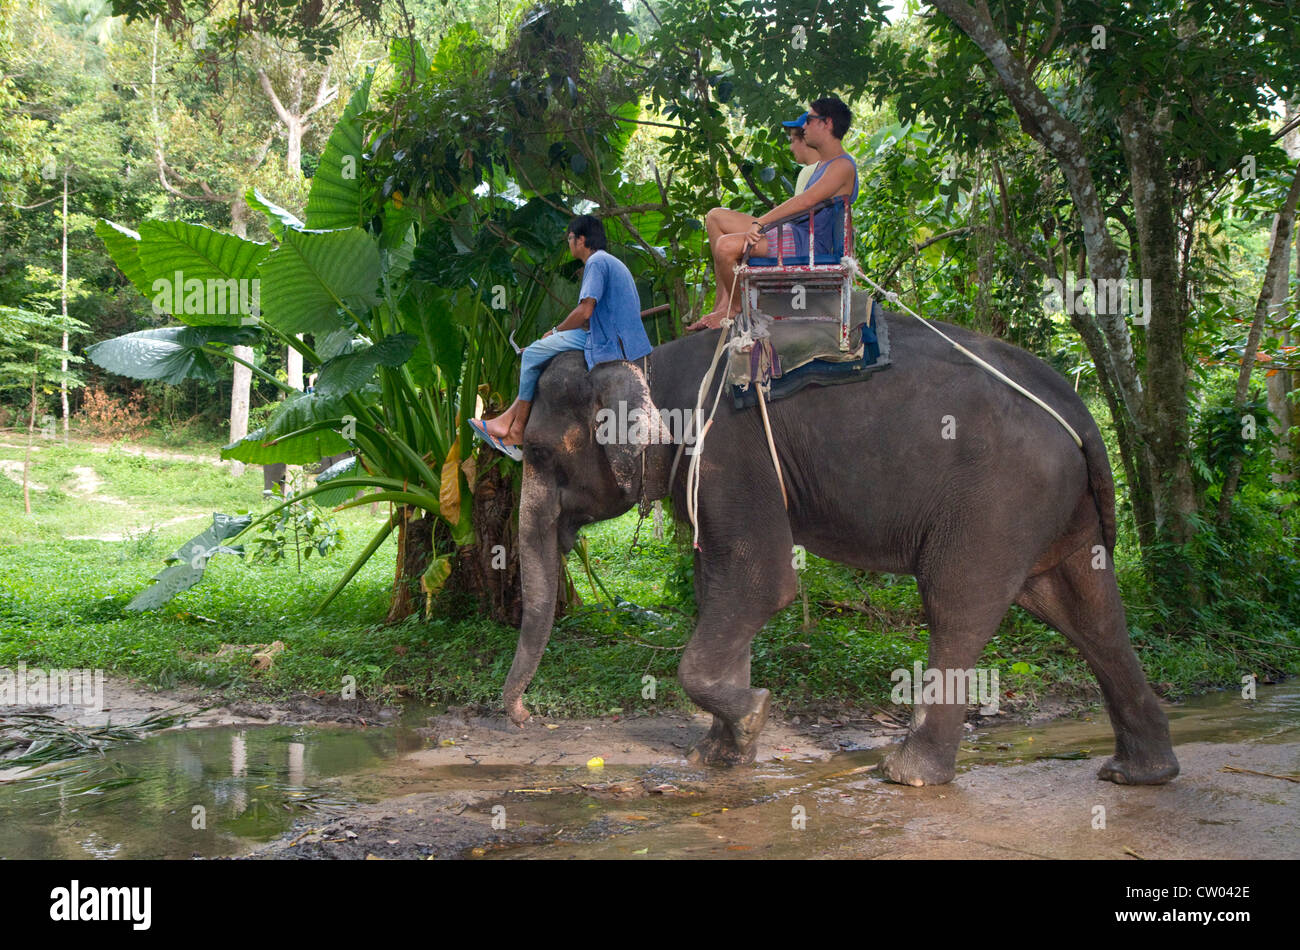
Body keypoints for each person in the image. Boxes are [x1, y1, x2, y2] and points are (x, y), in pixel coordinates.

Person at [469, 215, 654, 459]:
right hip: (604, 335)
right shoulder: (609, 261)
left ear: (582, 239)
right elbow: (592, 316)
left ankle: (516, 430)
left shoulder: (596, 262)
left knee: (534, 352)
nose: (568, 243)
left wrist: (556, 332)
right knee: (539, 351)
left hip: (610, 344)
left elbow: (585, 310)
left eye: (569, 238)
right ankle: (507, 421)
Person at [687, 96, 859, 332]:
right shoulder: (824, 164)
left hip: (805, 243)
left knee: (726, 247)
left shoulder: (843, 166)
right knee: (716, 216)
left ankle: (737, 310)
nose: (804, 127)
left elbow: (806, 201)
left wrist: (760, 223)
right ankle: (723, 305)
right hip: (794, 231)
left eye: (809, 120)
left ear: (827, 123)